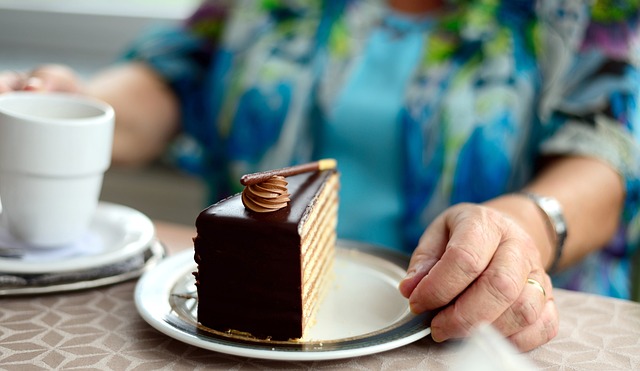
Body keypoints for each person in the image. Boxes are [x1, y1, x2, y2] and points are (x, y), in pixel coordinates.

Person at [2, 0, 639, 352]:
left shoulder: (580, 13)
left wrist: (517, 226)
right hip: (251, 337)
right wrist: (61, 105)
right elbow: (170, 76)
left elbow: (606, 154)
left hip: (470, 334)